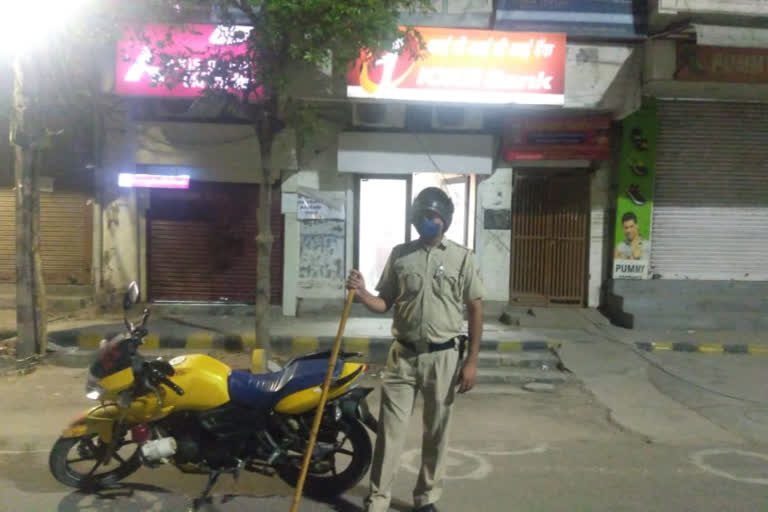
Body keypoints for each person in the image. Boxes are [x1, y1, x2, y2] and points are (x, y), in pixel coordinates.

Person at [346, 187, 484, 512]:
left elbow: (476, 310)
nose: (428, 221)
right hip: (403, 357)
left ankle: (426, 499)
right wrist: (362, 292)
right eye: (422, 216)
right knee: (390, 433)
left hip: (445, 357)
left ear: (445, 220)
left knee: (436, 433)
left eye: (434, 216)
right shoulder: (400, 255)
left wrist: (472, 361)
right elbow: (384, 303)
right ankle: (378, 500)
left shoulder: (463, 258)